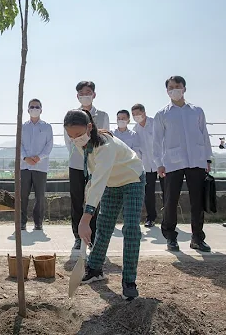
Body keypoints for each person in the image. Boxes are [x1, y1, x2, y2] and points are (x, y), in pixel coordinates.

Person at [64, 109, 145, 301]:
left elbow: (99, 180)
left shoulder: (106, 145)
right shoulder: (81, 144)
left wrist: (85, 218)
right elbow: (94, 177)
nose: (75, 139)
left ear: (89, 127)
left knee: (131, 229)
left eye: (78, 134)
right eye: (71, 136)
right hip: (111, 183)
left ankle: (129, 281)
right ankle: (94, 268)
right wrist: (87, 206)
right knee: (104, 226)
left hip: (131, 179)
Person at [153, 75, 212, 252]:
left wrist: (207, 159)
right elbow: (156, 141)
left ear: (184, 88)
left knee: (197, 201)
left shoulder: (196, 111)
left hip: (196, 160)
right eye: (171, 87)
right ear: (167, 91)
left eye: (177, 86)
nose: (174, 90)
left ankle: (197, 237)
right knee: (171, 200)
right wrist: (159, 163)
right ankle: (171, 237)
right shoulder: (162, 114)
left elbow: (204, 135)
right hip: (172, 162)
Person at [64, 81, 110, 250]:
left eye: (88, 92)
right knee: (76, 200)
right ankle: (77, 235)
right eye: (82, 93)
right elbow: (70, 142)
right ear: (77, 96)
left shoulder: (102, 115)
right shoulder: (71, 115)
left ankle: (93, 234)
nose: (85, 95)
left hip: (95, 164)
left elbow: (104, 140)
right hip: (76, 163)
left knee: (94, 198)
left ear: (94, 94)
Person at [19, 98, 54, 231]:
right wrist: (25, 158)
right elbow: (19, 144)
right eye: (32, 107)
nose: (34, 109)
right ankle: (22, 222)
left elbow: (49, 145)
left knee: (40, 196)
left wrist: (39, 157)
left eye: (37, 107)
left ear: (41, 109)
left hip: (41, 166)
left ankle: (38, 222)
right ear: (28, 109)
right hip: (25, 166)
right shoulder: (22, 127)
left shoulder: (47, 127)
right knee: (23, 195)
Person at [131, 103, 164, 228]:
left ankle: (168, 217)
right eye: (134, 115)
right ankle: (151, 217)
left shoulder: (155, 123)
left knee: (167, 190)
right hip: (146, 165)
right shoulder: (135, 130)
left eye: (138, 114)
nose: (136, 116)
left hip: (161, 162)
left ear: (144, 112)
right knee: (148, 192)